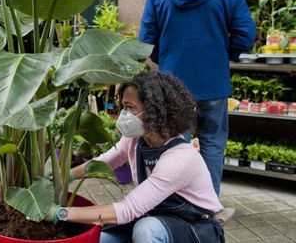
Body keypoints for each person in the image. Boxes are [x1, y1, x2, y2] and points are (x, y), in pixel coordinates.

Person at [45, 72, 225, 243]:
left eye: (130, 108)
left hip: (195, 226)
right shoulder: (136, 140)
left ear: (154, 111)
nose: (124, 114)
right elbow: (105, 162)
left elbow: (127, 209)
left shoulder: (180, 159)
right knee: (99, 239)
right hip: (153, 216)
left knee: (146, 229)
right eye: (123, 106)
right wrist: (64, 176)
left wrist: (60, 213)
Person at [138, 0, 256, 195]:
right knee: (212, 144)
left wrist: (164, 59)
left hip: (172, 86)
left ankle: (178, 205)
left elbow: (145, 40)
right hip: (213, 83)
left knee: (174, 147)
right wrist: (222, 54)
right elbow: (245, 34)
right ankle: (207, 206)